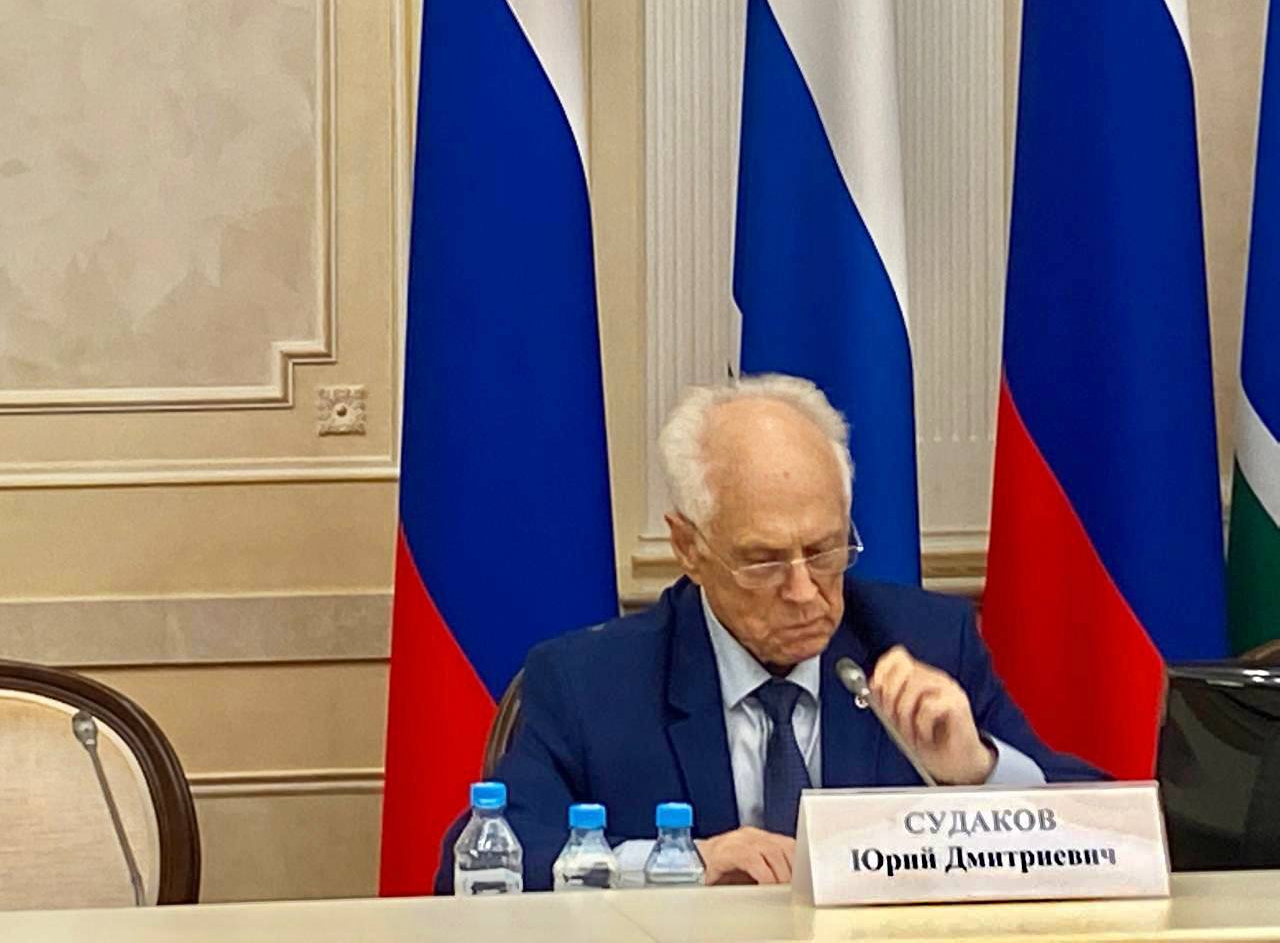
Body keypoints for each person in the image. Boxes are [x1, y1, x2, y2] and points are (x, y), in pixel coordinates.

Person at [435, 374, 1101, 892]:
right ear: (689, 548)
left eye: (825, 550)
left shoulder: (924, 641)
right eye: (763, 561)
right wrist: (684, 862)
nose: (805, 591)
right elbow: (486, 861)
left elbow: (1110, 833)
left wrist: (978, 772)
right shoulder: (590, 683)